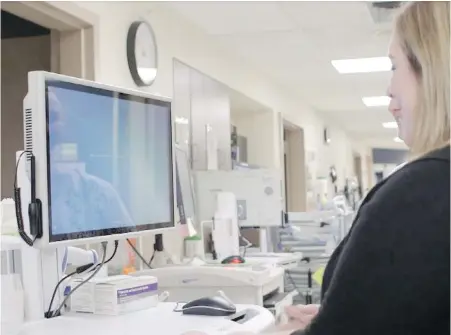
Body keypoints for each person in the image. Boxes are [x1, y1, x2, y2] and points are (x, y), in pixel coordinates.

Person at [230, 2, 450, 334]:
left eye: (394, 66)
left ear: (431, 68)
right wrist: (349, 312)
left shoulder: (417, 194)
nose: (389, 88)